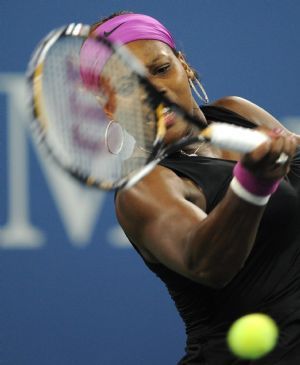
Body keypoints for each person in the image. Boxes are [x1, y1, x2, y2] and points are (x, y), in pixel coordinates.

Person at [80, 12, 300, 364]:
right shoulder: (143, 187)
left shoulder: (236, 112)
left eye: (161, 69)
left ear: (184, 65)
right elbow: (206, 264)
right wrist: (253, 184)